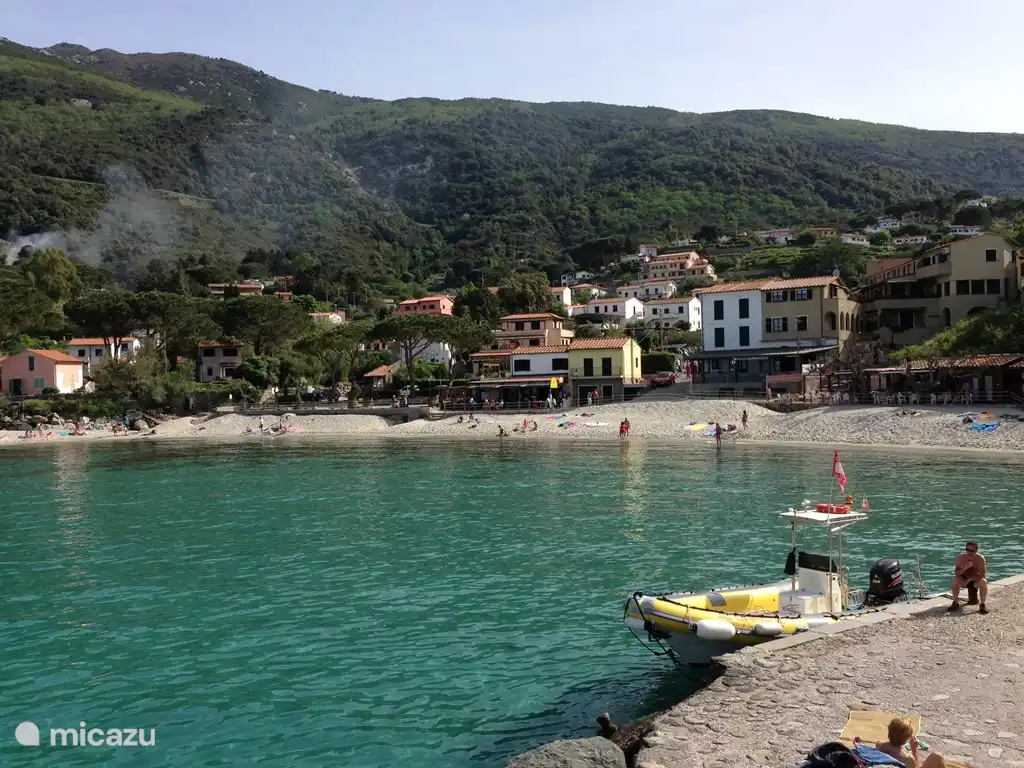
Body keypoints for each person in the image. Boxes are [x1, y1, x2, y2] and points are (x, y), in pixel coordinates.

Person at [875, 716, 946, 767]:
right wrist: (914, 750)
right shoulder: (908, 758)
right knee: (937, 756)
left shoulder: (879, 746)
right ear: (908, 737)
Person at [949, 541, 988, 614]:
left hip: (975, 581)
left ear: (976, 550)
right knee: (955, 579)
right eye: (967, 550)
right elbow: (956, 573)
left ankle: (983, 604)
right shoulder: (961, 558)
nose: (969, 552)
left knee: (983, 582)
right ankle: (955, 602)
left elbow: (983, 575)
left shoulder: (980, 559)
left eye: (972, 551)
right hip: (963, 579)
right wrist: (964, 568)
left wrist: (970, 579)